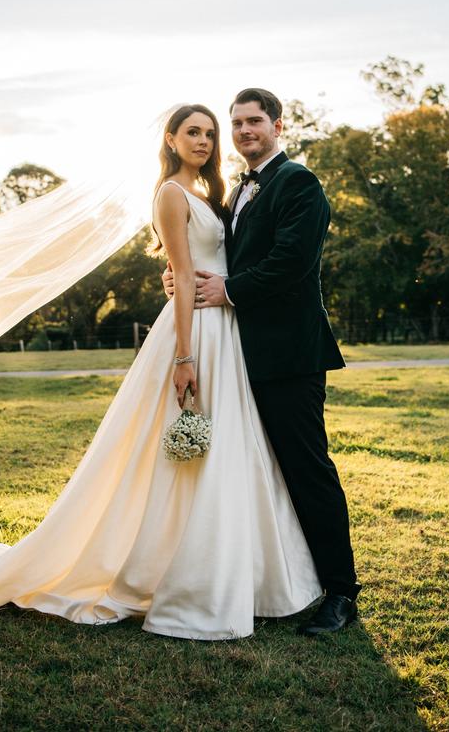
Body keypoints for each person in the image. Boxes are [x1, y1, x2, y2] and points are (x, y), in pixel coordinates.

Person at [0, 103, 321, 641]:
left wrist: (220, 290)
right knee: (182, 456)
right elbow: (183, 277)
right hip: (197, 333)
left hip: (228, 329)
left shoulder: (219, 195)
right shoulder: (169, 193)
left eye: (212, 133)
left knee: (233, 450)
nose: (207, 141)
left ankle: (239, 571)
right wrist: (184, 357)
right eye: (195, 132)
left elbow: (231, 262)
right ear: (171, 138)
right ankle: (184, 575)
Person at [164, 88, 360, 634]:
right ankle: (274, 579)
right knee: (258, 473)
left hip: (289, 355)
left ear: (278, 124)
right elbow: (214, 256)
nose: (244, 131)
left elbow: (291, 263)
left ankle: (341, 592)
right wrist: (181, 277)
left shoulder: (297, 182)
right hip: (238, 355)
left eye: (254, 121)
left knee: (306, 468)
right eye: (237, 123)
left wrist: (226, 290)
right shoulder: (236, 194)